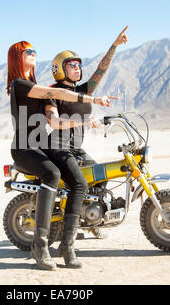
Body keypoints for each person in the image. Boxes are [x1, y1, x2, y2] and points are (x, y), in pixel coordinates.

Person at [7, 41, 116, 270]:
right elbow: (56, 99)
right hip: (29, 146)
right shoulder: (21, 85)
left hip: (42, 145)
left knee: (86, 181)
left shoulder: (33, 85)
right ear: (17, 57)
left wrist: (114, 45)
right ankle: (43, 245)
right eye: (29, 52)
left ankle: (70, 242)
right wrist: (93, 102)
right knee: (55, 174)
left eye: (35, 51)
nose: (34, 54)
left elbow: (97, 73)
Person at [44, 26, 129, 244]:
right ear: (60, 69)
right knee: (79, 184)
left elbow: (101, 70)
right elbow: (54, 121)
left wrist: (114, 46)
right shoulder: (52, 93)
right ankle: (67, 234)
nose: (77, 68)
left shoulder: (83, 92)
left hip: (76, 148)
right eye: (72, 65)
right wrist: (83, 120)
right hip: (58, 148)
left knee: (101, 178)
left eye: (79, 64)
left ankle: (92, 222)